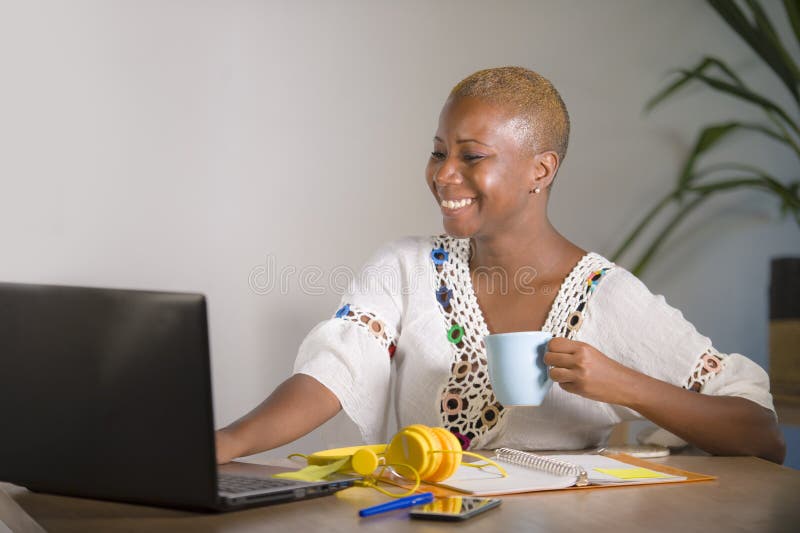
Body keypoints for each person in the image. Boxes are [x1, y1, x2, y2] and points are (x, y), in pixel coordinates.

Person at [215, 67, 785, 465]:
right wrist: (223, 442)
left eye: (471, 156)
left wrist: (623, 384)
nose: (443, 174)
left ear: (540, 169)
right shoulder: (406, 267)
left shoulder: (606, 296)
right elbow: (332, 373)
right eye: (439, 150)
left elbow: (761, 436)